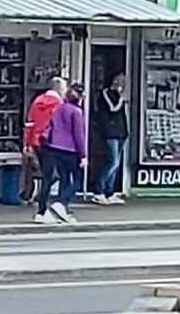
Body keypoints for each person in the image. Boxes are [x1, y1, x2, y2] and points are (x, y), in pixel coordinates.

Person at [43, 85, 87, 225]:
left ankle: (61, 212)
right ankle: (61, 204)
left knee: (64, 179)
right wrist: (83, 155)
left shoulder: (59, 108)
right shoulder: (76, 112)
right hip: (70, 149)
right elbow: (79, 136)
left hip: (55, 147)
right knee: (78, 181)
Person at [27, 76, 67, 223]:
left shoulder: (37, 101)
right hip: (52, 143)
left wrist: (28, 144)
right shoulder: (59, 104)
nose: (65, 91)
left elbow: (30, 123)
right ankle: (42, 210)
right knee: (52, 176)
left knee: (48, 175)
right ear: (59, 89)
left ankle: (42, 207)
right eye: (64, 88)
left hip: (37, 141)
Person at [91, 74, 128, 204]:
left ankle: (109, 191)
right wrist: (121, 99)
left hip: (121, 132)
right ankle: (98, 190)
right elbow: (113, 109)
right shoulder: (105, 92)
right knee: (113, 162)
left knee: (116, 164)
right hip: (110, 133)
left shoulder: (119, 95)